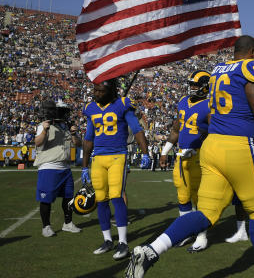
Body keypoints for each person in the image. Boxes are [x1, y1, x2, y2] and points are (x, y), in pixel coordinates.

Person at [125, 35, 254, 278]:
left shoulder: (217, 70)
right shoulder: (252, 67)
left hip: (212, 147)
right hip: (239, 145)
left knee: (206, 214)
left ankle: (151, 250)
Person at [82, 79, 150, 260]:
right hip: (98, 158)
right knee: (100, 199)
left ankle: (123, 242)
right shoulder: (91, 108)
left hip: (117, 156)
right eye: (95, 90)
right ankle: (107, 240)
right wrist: (84, 165)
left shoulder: (122, 105)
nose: (96, 93)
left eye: (100, 91)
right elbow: (88, 138)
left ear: (111, 91)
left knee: (116, 197)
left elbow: (136, 129)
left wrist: (145, 152)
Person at [160, 70, 211, 252]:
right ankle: (186, 232)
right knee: (182, 195)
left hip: (199, 157)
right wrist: (165, 151)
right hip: (182, 156)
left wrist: (199, 147)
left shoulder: (210, 106)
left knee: (199, 197)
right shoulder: (182, 102)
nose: (192, 88)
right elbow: (176, 128)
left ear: (205, 86)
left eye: (196, 84)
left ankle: (202, 235)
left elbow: (215, 134)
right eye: (191, 84)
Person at [34, 100, 82, 237]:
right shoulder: (43, 125)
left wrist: (73, 133)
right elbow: (37, 142)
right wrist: (44, 129)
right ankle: (46, 226)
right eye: (64, 111)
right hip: (49, 166)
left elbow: (78, 143)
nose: (66, 114)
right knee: (46, 198)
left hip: (65, 167)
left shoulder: (66, 127)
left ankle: (68, 223)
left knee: (68, 197)